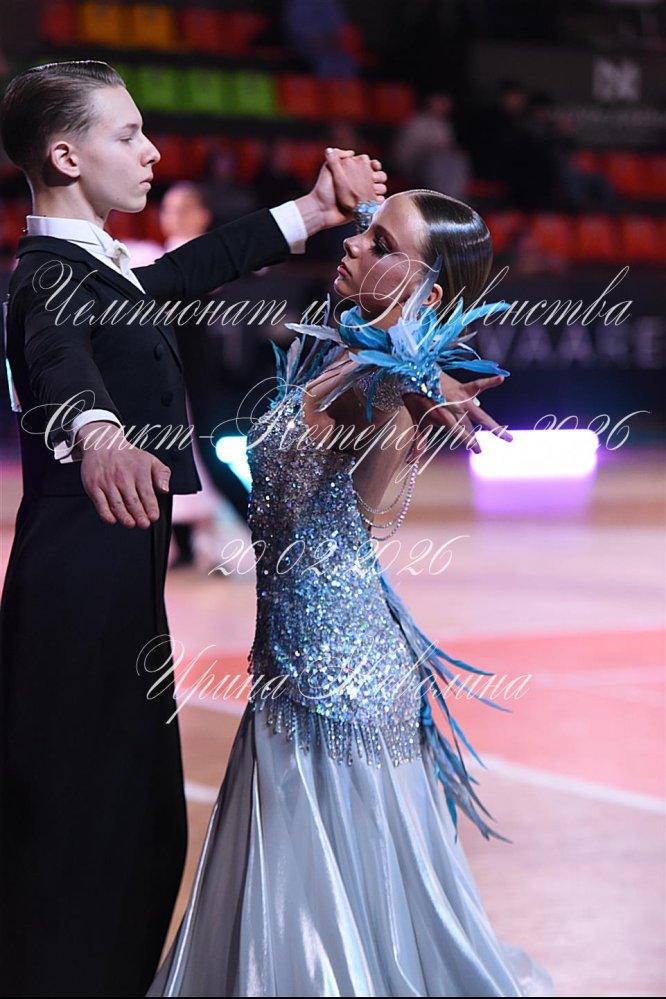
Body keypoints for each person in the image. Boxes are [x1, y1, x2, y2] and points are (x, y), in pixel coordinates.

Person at [0, 58, 388, 998]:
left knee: (134, 828)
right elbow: (56, 357)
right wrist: (97, 432)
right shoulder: (45, 278)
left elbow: (193, 267)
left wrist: (312, 209)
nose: (152, 152)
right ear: (65, 155)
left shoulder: (99, 269)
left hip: (110, 588)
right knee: (85, 832)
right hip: (73, 599)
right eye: (127, 133)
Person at [146, 190, 555, 997]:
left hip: (339, 685)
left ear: (428, 292)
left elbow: (400, 394)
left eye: (381, 243)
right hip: (291, 668)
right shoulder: (340, 354)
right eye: (365, 231)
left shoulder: (386, 383)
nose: (355, 244)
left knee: (331, 907)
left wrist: (422, 374)